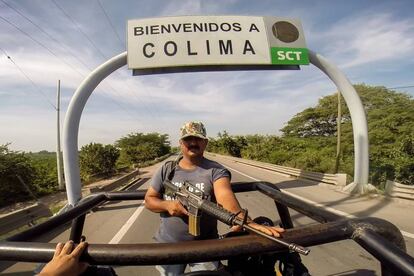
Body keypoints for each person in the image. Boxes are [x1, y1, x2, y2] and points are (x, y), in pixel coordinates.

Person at [145, 121, 285, 275]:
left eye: (198, 139)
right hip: (169, 245)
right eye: (188, 139)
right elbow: (150, 199)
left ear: (205, 143)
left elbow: (225, 197)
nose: (193, 143)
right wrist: (167, 206)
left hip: (205, 246)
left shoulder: (216, 171)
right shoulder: (167, 169)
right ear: (180, 143)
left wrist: (247, 223)